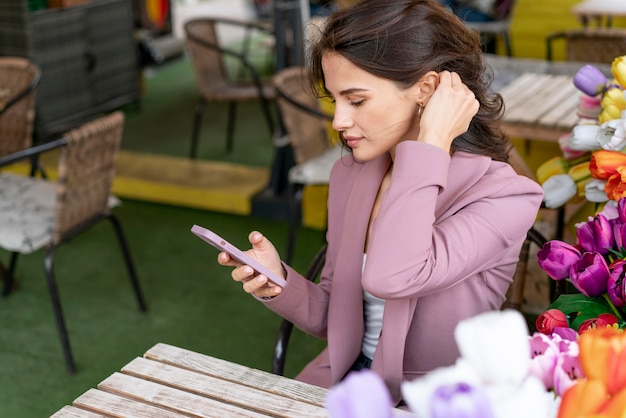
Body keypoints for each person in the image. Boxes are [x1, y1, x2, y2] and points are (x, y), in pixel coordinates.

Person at [217, 0, 543, 406]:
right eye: (334, 100)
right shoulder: (351, 176)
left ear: (427, 90)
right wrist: (276, 281)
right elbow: (334, 316)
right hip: (345, 382)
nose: (338, 121)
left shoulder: (504, 196)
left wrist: (433, 140)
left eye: (356, 101)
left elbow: (393, 277)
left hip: (435, 402)